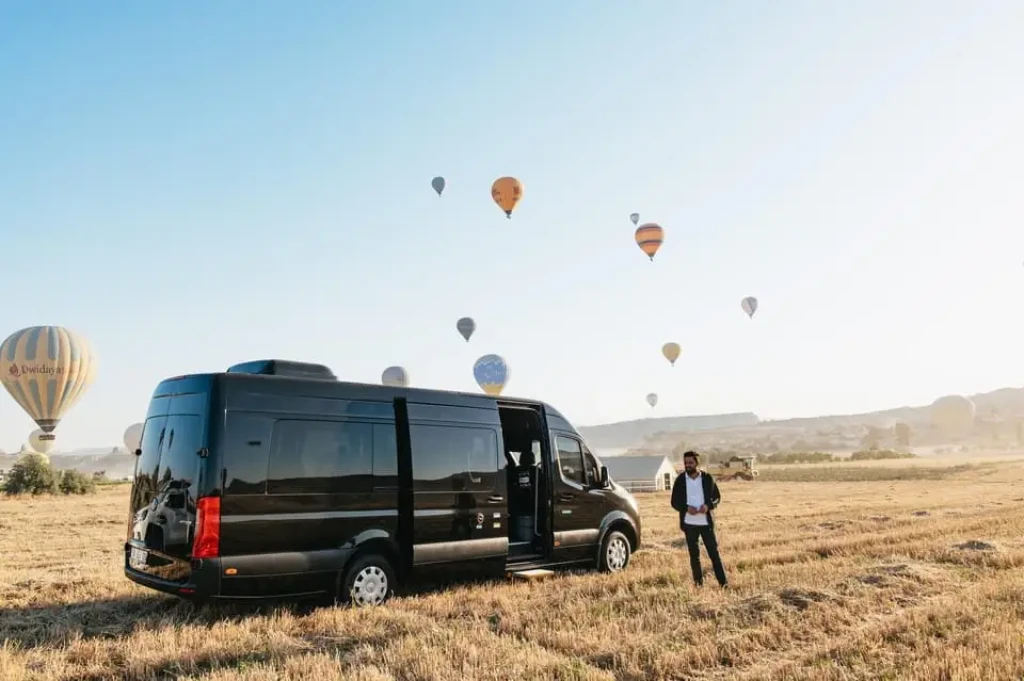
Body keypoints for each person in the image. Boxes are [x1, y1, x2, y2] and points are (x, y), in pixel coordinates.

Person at [670, 450, 728, 588]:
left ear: (697, 463)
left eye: (690, 462)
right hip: (689, 524)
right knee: (694, 557)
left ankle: (724, 584)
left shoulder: (707, 478)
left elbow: (717, 497)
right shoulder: (680, 480)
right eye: (685, 463)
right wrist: (685, 508)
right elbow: (674, 501)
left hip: (706, 524)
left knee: (714, 554)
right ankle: (698, 585)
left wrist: (708, 506)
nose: (687, 465)